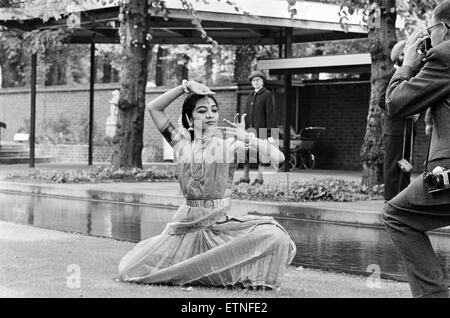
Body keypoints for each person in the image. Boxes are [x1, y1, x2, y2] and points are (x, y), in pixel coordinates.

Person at [118, 79, 296, 289]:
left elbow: (279, 158)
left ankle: (215, 272)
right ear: (189, 117)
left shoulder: (230, 146)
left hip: (218, 227)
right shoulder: (180, 144)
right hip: (186, 227)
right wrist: (184, 88)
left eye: (213, 110)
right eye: (202, 111)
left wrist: (248, 138)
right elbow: (153, 107)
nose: (210, 115)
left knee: (275, 237)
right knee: (129, 269)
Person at [382, 0, 450, 298]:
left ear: (445, 27)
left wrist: (409, 61)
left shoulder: (445, 56)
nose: (428, 36)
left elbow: (396, 103)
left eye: (430, 29)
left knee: (397, 216)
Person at [380, 40, 416, 202]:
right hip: (394, 129)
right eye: (404, 54)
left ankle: (402, 199)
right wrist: (404, 112)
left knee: (406, 165)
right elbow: (382, 100)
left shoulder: (409, 76)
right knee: (392, 166)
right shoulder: (389, 76)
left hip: (408, 129)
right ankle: (390, 200)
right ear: (398, 57)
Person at [237, 70, 275, 185]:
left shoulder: (267, 94)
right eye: (253, 80)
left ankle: (259, 178)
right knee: (247, 153)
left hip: (262, 129)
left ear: (262, 81)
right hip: (250, 130)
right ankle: (245, 177)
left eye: (258, 80)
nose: (255, 82)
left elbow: (270, 114)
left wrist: (270, 133)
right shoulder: (250, 95)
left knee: (262, 155)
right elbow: (246, 114)